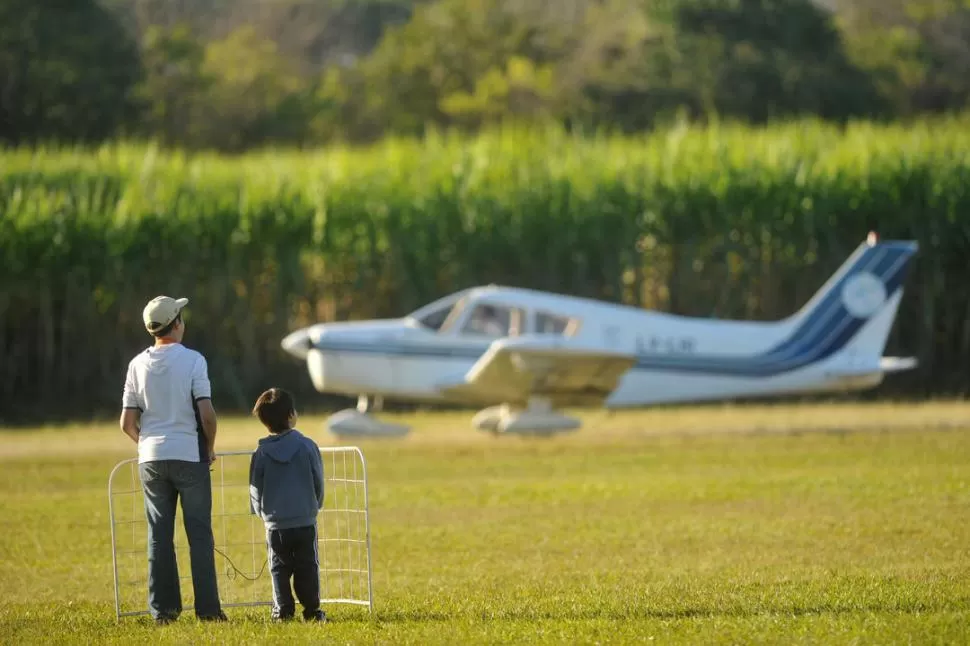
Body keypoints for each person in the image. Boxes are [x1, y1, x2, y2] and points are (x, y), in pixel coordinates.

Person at [120, 295, 227, 625]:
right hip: (189, 456)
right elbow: (206, 415)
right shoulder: (194, 361)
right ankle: (208, 611)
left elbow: (126, 422)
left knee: (158, 536)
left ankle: (163, 611)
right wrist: (208, 447)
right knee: (199, 536)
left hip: (150, 459)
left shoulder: (137, 364)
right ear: (177, 323)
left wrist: (148, 445)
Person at [249, 388, 327, 622]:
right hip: (304, 519)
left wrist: (261, 513)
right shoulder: (307, 446)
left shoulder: (261, 452)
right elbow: (318, 479)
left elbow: (255, 486)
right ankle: (312, 610)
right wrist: (316, 505)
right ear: (292, 414)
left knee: (278, 568)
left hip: (275, 524)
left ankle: (282, 610)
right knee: (308, 566)